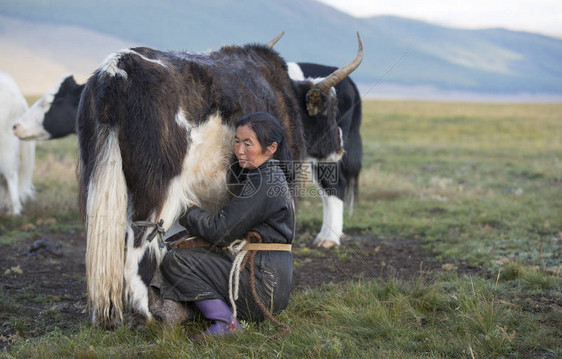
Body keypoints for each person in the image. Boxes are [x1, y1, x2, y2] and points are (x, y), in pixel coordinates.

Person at [157, 112, 295, 338]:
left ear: (270, 149)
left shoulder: (264, 181)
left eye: (248, 143)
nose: (239, 150)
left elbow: (219, 232)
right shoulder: (268, 175)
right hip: (272, 284)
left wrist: (184, 208)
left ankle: (225, 322)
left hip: (262, 287)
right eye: (237, 141)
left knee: (176, 261)